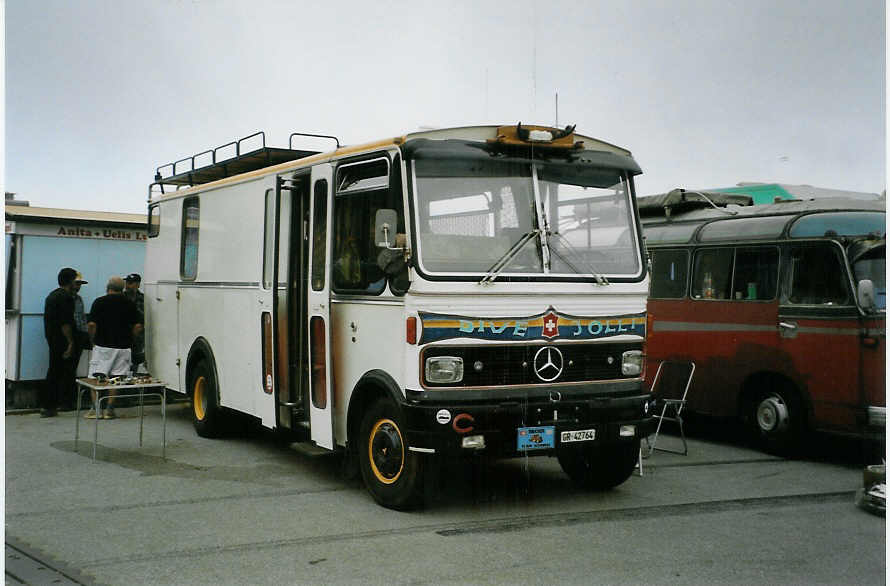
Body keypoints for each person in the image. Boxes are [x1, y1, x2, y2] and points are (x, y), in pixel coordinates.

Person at [86, 276, 143, 419]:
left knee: (95, 377)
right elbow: (137, 326)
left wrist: (92, 340)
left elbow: (92, 325)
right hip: (123, 347)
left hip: (103, 346)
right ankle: (109, 409)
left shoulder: (99, 302)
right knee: (116, 378)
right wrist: (131, 339)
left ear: (108, 287)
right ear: (122, 288)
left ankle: (96, 409)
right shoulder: (129, 304)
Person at [42, 268, 79, 417]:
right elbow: (66, 323)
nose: (76, 283)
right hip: (62, 339)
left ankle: (48, 405)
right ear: (70, 281)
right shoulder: (66, 298)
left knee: (53, 370)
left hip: (52, 337)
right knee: (62, 372)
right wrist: (70, 342)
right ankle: (54, 404)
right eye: (75, 280)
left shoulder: (52, 296)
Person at [70, 272, 91, 409]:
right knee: (67, 367)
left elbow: (82, 318)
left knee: (73, 366)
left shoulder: (79, 299)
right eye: (77, 284)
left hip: (79, 336)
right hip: (70, 335)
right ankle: (67, 398)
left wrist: (85, 334)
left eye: (80, 284)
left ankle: (71, 398)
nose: (78, 287)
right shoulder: (66, 298)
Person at [124, 273, 145, 372]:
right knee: (122, 360)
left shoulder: (143, 298)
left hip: (138, 336)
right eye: (127, 282)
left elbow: (145, 316)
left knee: (136, 359)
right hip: (123, 333)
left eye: (130, 283)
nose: (127, 285)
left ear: (138, 284)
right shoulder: (121, 297)